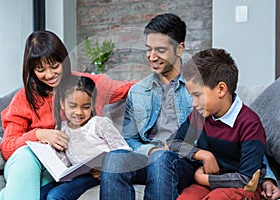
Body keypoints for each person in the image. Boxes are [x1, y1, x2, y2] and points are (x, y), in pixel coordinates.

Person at [0, 30, 135, 200]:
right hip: (25, 164)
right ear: (31, 70)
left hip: (60, 168)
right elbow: (7, 147)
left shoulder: (84, 85)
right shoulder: (24, 98)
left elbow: (128, 88)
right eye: (40, 70)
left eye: (55, 66)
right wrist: (39, 134)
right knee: (26, 155)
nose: (49, 75)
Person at [100, 13, 193, 200]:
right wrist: (151, 151)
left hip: (184, 162)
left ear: (179, 49)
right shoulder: (138, 91)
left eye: (160, 50)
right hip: (148, 158)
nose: (151, 56)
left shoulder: (199, 87)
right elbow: (129, 139)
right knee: (114, 158)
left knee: (161, 160)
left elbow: (231, 127)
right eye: (148, 49)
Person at [166, 48, 266, 199]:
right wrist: (203, 155)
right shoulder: (199, 116)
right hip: (209, 184)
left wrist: (205, 179)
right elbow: (174, 142)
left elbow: (247, 180)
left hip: (241, 188)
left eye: (197, 95)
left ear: (220, 89)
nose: (193, 103)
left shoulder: (250, 124)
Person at [40, 75, 132, 199]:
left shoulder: (99, 123)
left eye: (86, 107)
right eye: (73, 106)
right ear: (62, 104)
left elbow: (123, 150)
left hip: (99, 174)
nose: (79, 112)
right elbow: (66, 161)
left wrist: (106, 170)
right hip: (78, 174)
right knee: (40, 193)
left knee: (55, 196)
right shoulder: (61, 128)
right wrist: (50, 150)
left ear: (93, 105)